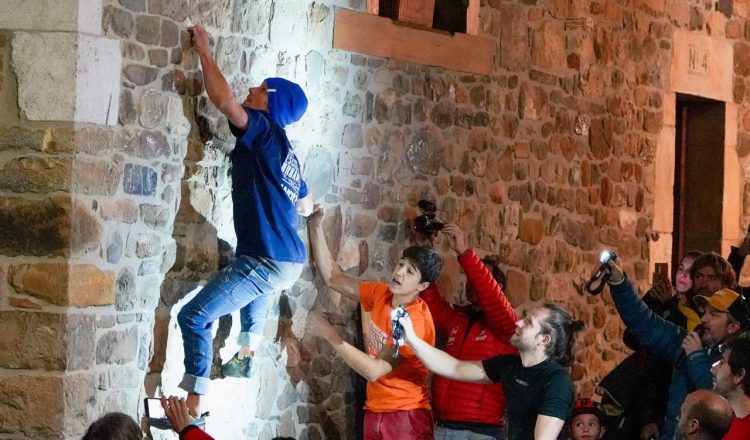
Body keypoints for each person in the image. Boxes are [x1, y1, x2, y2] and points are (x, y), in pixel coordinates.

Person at [175, 25, 313, 419]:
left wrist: (204, 51)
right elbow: (306, 203)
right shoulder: (287, 152)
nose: (253, 88)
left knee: (194, 316)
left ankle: (195, 403)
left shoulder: (265, 131)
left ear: (271, 102)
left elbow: (225, 103)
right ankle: (246, 351)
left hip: (267, 260)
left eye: (261, 88)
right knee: (250, 281)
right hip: (288, 261)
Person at [307, 205, 443, 440]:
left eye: (410, 272)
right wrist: (315, 226)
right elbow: (333, 277)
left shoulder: (416, 322)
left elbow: (374, 370)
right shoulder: (382, 293)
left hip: (406, 416)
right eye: (401, 264)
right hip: (376, 409)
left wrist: (329, 334)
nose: (399, 272)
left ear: (422, 286)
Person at [398, 300, 582, 440]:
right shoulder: (509, 365)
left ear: (544, 340)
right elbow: (454, 367)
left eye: (528, 323)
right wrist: (412, 338)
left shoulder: (557, 381)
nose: (518, 323)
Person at [604, 259, 746, 440]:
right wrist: (619, 282)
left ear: (733, 327)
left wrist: (695, 357)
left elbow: (717, 403)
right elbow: (645, 323)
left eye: (714, 314)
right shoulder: (687, 340)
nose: (704, 319)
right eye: (705, 312)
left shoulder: (738, 362)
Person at [420, 224, 518, 440]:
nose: (472, 284)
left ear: (498, 286)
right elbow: (429, 302)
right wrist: (425, 252)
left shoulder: (508, 326)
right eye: (469, 280)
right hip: (443, 426)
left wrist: (464, 253)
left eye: (477, 279)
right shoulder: (459, 319)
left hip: (480, 432)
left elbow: (489, 295)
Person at [599, 252, 701, 440]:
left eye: (691, 272)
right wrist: (653, 300)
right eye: (680, 269)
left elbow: (667, 362)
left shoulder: (699, 322)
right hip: (644, 396)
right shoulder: (666, 301)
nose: (682, 275)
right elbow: (635, 334)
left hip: (667, 407)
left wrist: (670, 306)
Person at [711, 337, 750, 439]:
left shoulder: (743, 433)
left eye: (722, 363)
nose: (713, 369)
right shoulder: (715, 420)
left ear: (739, 375)